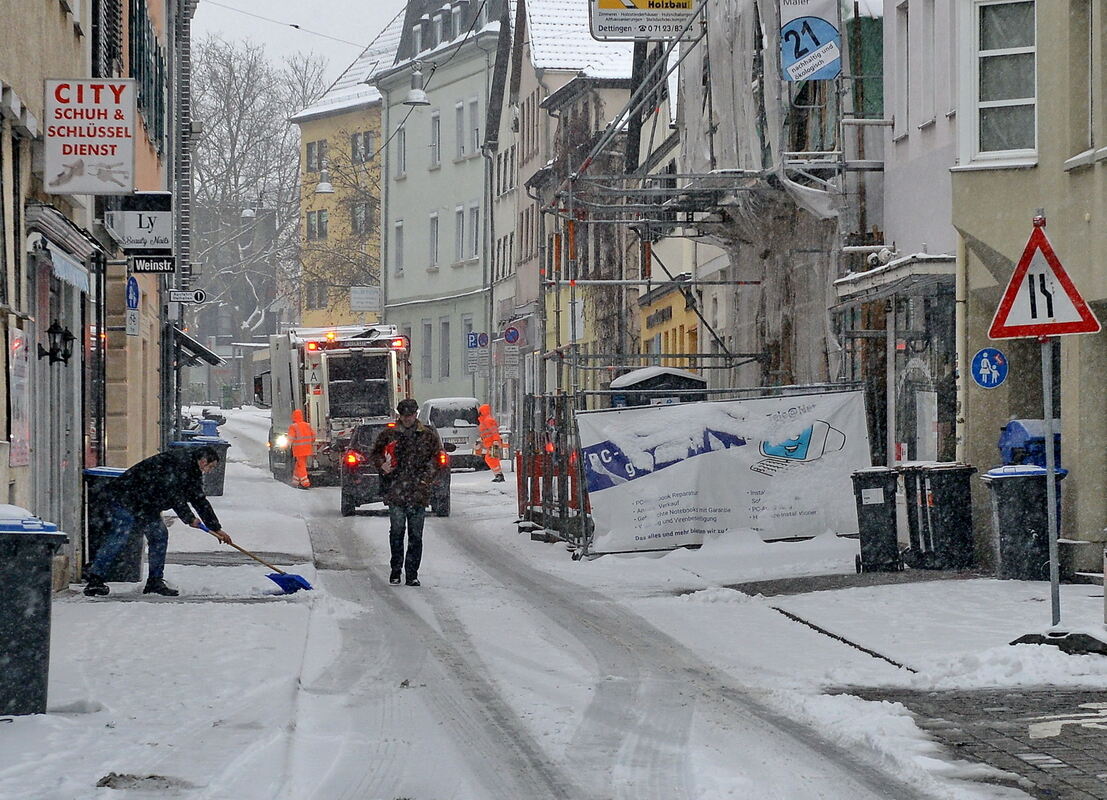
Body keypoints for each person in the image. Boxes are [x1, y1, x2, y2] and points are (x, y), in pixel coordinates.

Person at [83, 445, 233, 597]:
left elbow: (199, 499)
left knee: (159, 535)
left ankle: (154, 581)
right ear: (203, 461)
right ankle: (95, 579)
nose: (210, 471)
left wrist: (216, 528)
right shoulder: (178, 463)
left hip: (147, 504)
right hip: (125, 498)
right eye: (211, 466)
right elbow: (173, 494)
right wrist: (189, 518)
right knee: (120, 534)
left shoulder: (192, 470)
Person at [370, 398, 444, 586]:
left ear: (416, 415)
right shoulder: (389, 435)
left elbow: (436, 460)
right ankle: (396, 570)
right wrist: (382, 465)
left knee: (415, 535)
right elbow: (375, 454)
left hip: (418, 492)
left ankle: (412, 574)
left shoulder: (427, 436)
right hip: (396, 491)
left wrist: (426, 478)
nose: (408, 419)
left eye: (410, 415)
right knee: (397, 531)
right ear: (399, 415)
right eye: (404, 416)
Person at [477, 403, 506, 482]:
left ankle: (499, 475)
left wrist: (496, 440)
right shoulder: (485, 421)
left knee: (491, 458)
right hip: (490, 443)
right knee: (491, 458)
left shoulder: (488, 420)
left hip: (492, 443)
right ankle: (498, 474)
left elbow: (494, 432)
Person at [287, 408, 315, 489]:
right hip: (307, 449)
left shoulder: (293, 427)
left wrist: (286, 446)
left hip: (299, 450)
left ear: (293, 417)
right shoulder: (307, 425)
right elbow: (313, 436)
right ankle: (295, 481)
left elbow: (290, 438)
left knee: (301, 465)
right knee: (299, 464)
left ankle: (304, 483)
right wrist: (310, 443)